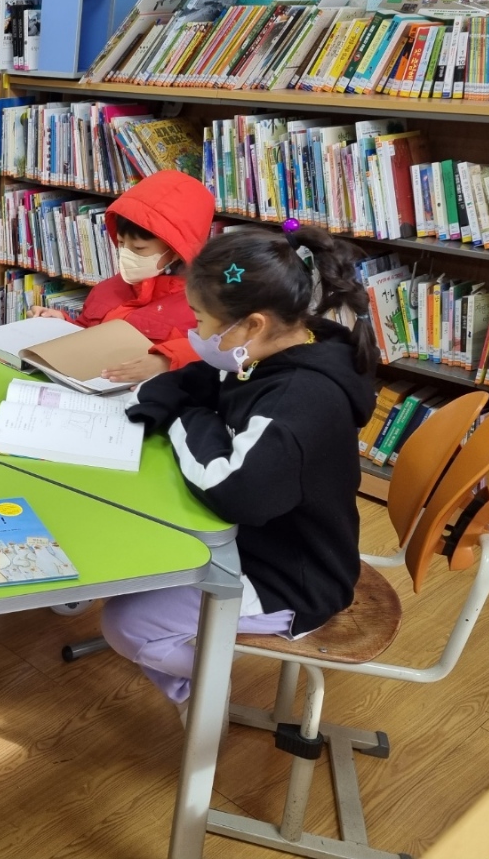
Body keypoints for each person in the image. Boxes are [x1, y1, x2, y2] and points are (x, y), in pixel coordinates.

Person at [100, 225, 377, 716]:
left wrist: (182, 415)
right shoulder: (275, 347)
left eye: (200, 320)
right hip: (254, 540)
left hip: (291, 577)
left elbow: (233, 489)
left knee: (127, 623)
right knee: (130, 558)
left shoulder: (299, 401)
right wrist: (160, 398)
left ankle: (204, 694)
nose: (195, 333)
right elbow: (204, 379)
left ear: (252, 324)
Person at [29, 169, 215, 385]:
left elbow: (221, 354)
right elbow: (89, 334)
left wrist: (166, 360)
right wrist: (63, 324)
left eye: (139, 248)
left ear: (175, 250)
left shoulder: (203, 304)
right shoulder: (108, 289)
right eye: (120, 243)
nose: (126, 254)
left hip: (143, 396)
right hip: (87, 385)